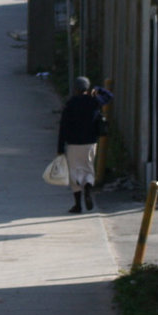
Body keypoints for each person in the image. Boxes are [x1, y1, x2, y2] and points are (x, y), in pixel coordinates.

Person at [57, 76, 113, 213]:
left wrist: (60, 148)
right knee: (88, 168)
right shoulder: (94, 101)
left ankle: (78, 204)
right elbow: (109, 95)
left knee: (74, 172)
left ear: (75, 89)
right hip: (90, 142)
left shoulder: (70, 104)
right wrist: (97, 90)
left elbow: (63, 127)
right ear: (87, 88)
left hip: (73, 143)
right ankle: (88, 187)